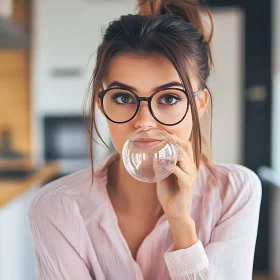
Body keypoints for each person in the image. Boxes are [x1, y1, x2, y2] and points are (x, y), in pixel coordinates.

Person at [28, 0, 262, 279]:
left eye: (169, 98)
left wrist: (180, 224)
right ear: (102, 105)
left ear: (199, 105)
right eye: (124, 98)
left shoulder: (234, 193)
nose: (144, 121)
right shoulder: (56, 207)